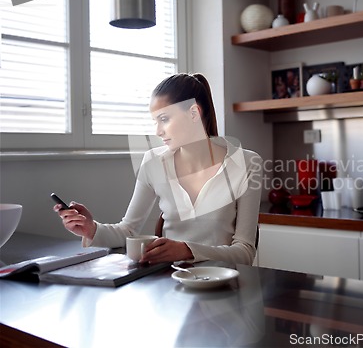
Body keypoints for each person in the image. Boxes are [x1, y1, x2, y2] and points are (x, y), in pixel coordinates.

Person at [54, 73, 263, 265]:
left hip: (224, 286)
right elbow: (128, 229)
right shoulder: (153, 162)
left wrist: (187, 250)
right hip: (170, 283)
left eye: (164, 119)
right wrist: (91, 229)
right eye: (155, 121)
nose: (158, 131)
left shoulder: (247, 164)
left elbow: (245, 252)